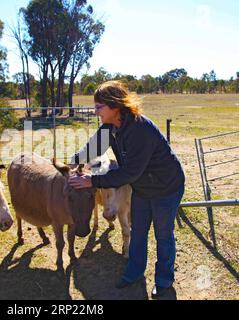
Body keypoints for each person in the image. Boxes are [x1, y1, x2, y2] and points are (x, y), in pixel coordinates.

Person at [68, 80, 185, 299]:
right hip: (143, 188)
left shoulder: (140, 129)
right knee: (138, 232)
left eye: (99, 107)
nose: (95, 112)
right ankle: (133, 272)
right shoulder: (111, 127)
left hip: (166, 187)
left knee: (163, 235)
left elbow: (130, 173)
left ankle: (164, 281)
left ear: (114, 106)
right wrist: (73, 161)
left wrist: (92, 181)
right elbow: (92, 148)